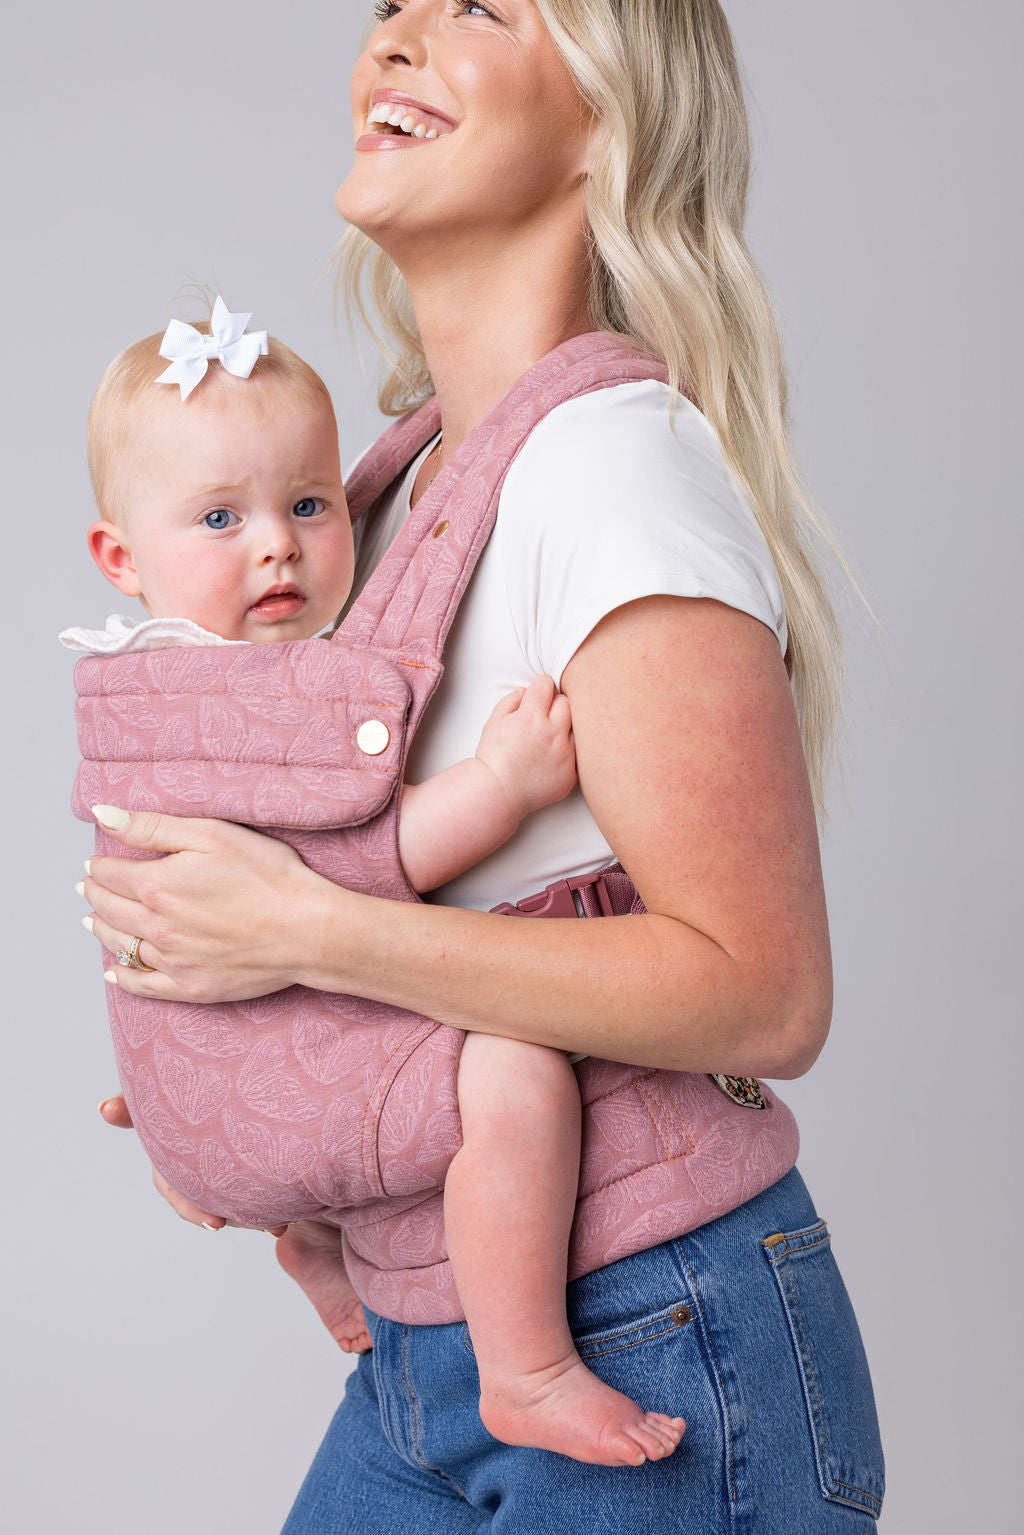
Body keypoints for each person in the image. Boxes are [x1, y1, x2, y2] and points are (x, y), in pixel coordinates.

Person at [82, 0, 885, 1528]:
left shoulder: (611, 468)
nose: (392, 37)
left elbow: (768, 993)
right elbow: (321, 874)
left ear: (605, 115)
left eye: (479, 7)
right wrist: (228, 1053)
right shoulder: (370, 493)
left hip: (658, 1323)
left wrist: (308, 936)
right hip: (422, 1344)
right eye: (390, 10)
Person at [67, 311, 692, 1465]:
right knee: (511, 1067)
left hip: (187, 1096)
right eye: (220, 517)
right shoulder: (245, 701)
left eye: (308, 504)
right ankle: (530, 1367)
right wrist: (498, 786)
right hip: (235, 1098)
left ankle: (316, 1241)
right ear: (120, 554)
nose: (280, 548)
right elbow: (353, 859)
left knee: (362, 1021)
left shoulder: (136, 685)